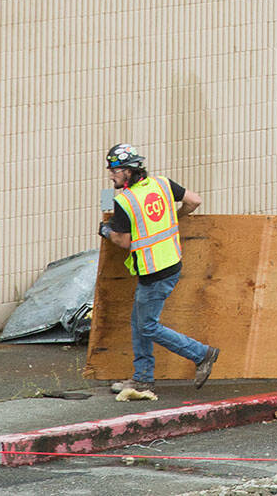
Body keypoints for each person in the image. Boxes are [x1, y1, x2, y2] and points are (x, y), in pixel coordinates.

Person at [100, 144, 219, 401]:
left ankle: (202, 354)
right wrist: (176, 217)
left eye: (115, 170)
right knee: (139, 322)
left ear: (129, 172)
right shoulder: (162, 184)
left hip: (154, 271)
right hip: (170, 263)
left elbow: (124, 241)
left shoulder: (125, 201)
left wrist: (106, 231)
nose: (111, 175)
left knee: (148, 326)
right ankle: (142, 379)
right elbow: (194, 200)